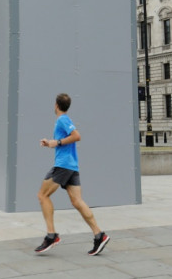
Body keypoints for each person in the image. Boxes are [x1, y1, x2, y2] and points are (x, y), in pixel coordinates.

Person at [35, 93, 110, 256]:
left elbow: (77, 136)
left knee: (42, 195)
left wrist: (57, 142)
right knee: (77, 201)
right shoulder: (63, 120)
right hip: (71, 166)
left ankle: (51, 235)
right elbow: (65, 139)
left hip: (63, 166)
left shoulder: (62, 119)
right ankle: (99, 235)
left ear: (56, 105)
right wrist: (51, 142)